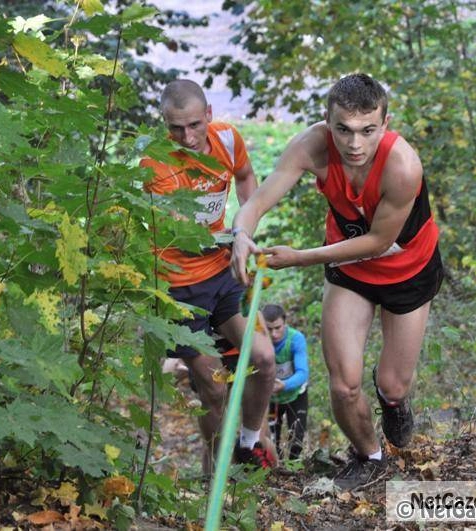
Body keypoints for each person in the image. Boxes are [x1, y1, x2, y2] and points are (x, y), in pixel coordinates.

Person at [230, 73, 443, 489]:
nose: (354, 144)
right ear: (326, 121)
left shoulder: (403, 166)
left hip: (407, 270)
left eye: (367, 131)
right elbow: (258, 200)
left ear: (385, 123)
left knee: (392, 383)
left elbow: (379, 242)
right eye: (343, 129)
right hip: (350, 270)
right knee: (344, 385)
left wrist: (299, 258)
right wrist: (241, 233)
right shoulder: (311, 145)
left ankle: (393, 403)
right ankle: (371, 457)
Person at [140, 79, 277, 473]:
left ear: (210, 116)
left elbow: (247, 176)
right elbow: (185, 235)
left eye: (196, 125)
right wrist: (234, 238)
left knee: (265, 359)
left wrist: (247, 226)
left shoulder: (228, 140)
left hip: (221, 276)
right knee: (215, 388)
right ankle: (218, 476)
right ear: (164, 125)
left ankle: (249, 445)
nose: (187, 136)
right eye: (176, 128)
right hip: (178, 288)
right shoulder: (156, 162)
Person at [263, 303, 309, 460]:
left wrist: (284, 385)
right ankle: (277, 468)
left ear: (285, 323)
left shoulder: (296, 339)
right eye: (269, 329)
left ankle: (294, 468)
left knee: (297, 438)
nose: (274, 334)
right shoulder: (258, 340)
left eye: (278, 328)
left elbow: (303, 373)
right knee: (272, 439)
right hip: (270, 398)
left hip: (296, 394)